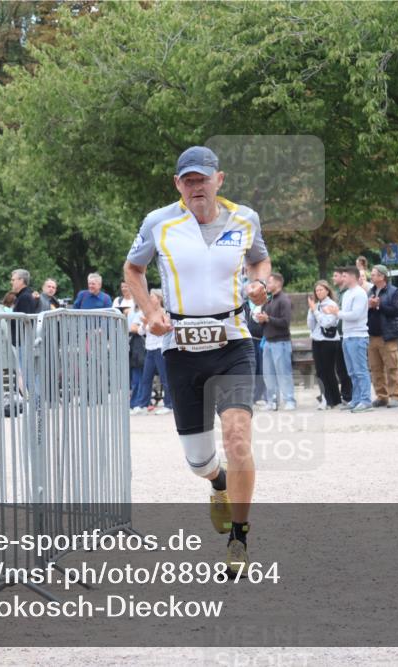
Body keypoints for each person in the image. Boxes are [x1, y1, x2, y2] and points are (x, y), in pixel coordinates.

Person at [123, 145, 271, 572]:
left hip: (232, 341)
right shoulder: (159, 222)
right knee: (199, 462)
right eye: (188, 181)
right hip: (181, 349)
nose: (196, 187)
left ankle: (239, 539)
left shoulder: (245, 218)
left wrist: (260, 285)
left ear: (218, 180)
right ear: (178, 185)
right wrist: (151, 313)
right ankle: (217, 482)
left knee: (238, 438)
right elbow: (133, 270)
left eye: (202, 179)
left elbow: (260, 261)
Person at [323, 266, 372, 412]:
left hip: (358, 336)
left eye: (344, 276)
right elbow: (345, 314)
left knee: (360, 370)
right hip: (347, 336)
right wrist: (336, 313)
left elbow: (355, 315)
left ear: (352, 277)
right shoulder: (347, 294)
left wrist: (337, 313)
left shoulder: (360, 293)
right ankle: (356, 399)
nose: (341, 279)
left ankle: (365, 400)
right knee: (351, 371)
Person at [254, 272, 295, 411]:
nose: (267, 286)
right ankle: (272, 402)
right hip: (268, 342)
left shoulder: (284, 300)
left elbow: (285, 322)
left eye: (270, 282)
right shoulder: (268, 301)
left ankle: (290, 400)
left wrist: (268, 319)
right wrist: (261, 320)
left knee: (283, 373)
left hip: (281, 342)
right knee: (269, 374)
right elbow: (266, 321)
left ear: (278, 283)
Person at [131, 289, 173, 416]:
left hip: (161, 349)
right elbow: (139, 332)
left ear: (159, 299)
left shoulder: (165, 313)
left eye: (152, 296)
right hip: (149, 349)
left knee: (164, 378)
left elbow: (164, 329)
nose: (150, 299)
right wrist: (144, 325)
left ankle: (169, 405)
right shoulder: (147, 313)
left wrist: (147, 325)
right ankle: (143, 404)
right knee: (146, 378)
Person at [367, 264, 398, 408]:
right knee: (376, 369)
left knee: (392, 368)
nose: (372, 276)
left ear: (382, 276)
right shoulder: (370, 291)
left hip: (387, 336)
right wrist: (369, 306)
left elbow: (395, 311)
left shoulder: (394, 291)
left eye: (374, 274)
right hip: (372, 336)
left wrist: (378, 305)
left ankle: (395, 396)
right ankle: (381, 396)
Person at [306, 279, 342, 409]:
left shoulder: (332, 305)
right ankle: (325, 398)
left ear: (327, 290)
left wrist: (316, 311)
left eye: (321, 289)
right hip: (317, 340)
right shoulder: (315, 305)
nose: (318, 292)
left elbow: (327, 323)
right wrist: (311, 312)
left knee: (329, 371)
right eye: (316, 290)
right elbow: (310, 325)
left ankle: (335, 399)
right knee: (320, 372)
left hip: (329, 341)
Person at [330, 268, 354, 405]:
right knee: (341, 368)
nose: (334, 278)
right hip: (339, 335)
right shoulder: (339, 293)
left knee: (348, 368)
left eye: (336, 275)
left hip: (348, 334)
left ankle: (349, 395)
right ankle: (346, 395)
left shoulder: (348, 294)